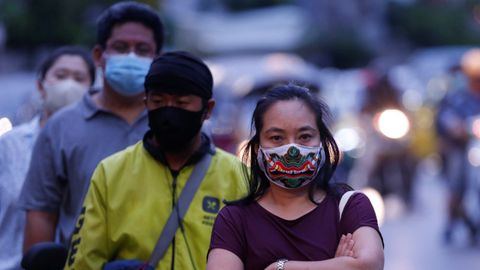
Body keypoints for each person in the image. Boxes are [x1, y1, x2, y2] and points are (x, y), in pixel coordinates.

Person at [64, 51, 246, 270]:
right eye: (158, 101)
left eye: (181, 103)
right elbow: (83, 262)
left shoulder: (237, 176)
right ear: (145, 104)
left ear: (207, 109)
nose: (169, 111)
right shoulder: (111, 173)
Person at [18, 1, 164, 251]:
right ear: (99, 55)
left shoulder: (175, 122)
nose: (131, 56)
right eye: (120, 47)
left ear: (157, 57)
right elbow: (41, 215)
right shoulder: (61, 127)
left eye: (142, 49)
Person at [207, 84, 384, 270]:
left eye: (305, 136)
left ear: (322, 142)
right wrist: (336, 265)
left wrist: (280, 267)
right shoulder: (234, 220)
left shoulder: (349, 206)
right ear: (258, 147)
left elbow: (368, 264)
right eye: (276, 138)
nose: (292, 150)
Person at [0, 45, 95, 270]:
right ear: (41, 85)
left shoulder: (97, 148)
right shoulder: (10, 145)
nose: (68, 84)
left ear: (92, 90)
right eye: (61, 76)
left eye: (78, 78)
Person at [435, 48, 480, 245]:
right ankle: (451, 223)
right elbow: (445, 119)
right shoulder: (457, 98)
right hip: (463, 149)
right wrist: (457, 128)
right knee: (456, 183)